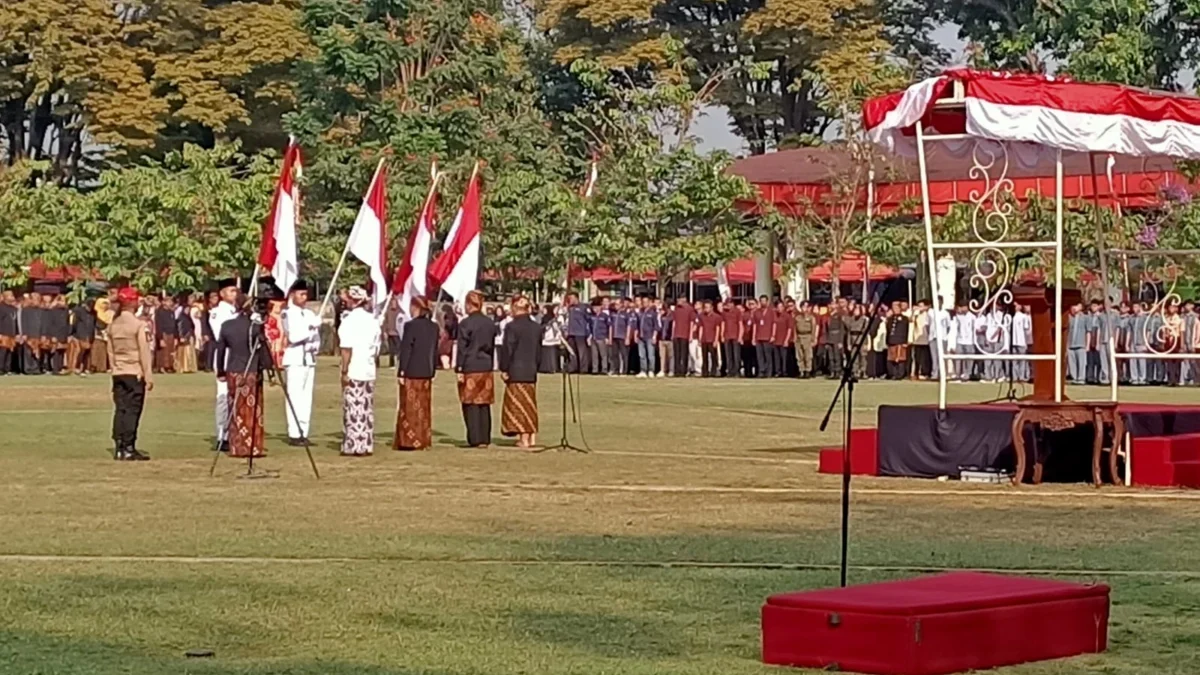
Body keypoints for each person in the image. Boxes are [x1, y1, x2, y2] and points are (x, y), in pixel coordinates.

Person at [215, 291, 274, 459]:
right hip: (251, 371)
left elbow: (220, 350)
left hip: (233, 370)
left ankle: (237, 445)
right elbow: (263, 351)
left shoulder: (227, 326)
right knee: (252, 409)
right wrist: (270, 368)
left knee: (235, 408)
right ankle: (252, 446)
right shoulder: (254, 327)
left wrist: (220, 370)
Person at [107, 287, 154, 461]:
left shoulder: (113, 325)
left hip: (118, 372)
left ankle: (119, 446)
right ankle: (129, 446)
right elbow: (144, 352)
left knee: (121, 409)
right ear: (133, 303)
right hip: (134, 372)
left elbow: (110, 352)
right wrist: (148, 375)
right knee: (133, 410)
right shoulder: (138, 325)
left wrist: (115, 368)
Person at [337, 287, 380, 457]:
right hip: (368, 368)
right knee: (366, 407)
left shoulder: (349, 321)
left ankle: (354, 444)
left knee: (353, 407)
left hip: (354, 368)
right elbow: (377, 347)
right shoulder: (373, 320)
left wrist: (344, 370)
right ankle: (366, 443)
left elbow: (346, 348)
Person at [281, 280, 321, 446]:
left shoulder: (309, 314)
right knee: (294, 396)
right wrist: (310, 329)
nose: (304, 297)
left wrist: (314, 344)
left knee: (306, 398)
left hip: (308, 358)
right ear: (293, 295)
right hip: (295, 358)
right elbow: (293, 337)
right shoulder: (287, 313)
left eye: (306, 294)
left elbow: (316, 339)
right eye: (301, 294)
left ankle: (303, 431)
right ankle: (294, 432)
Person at [456, 291, 498, 448]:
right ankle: (485, 438)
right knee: (484, 403)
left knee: (470, 402)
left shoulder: (465, 324)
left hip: (470, 366)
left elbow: (462, 348)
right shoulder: (489, 323)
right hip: (485, 365)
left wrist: (459, 368)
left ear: (468, 304)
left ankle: (474, 438)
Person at [396, 296, 438, 450]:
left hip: (412, 371)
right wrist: (432, 370)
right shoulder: (434, 327)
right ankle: (423, 438)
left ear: (415, 307)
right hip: (426, 371)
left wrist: (401, 371)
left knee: (410, 408)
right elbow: (434, 351)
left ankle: (409, 440)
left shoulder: (411, 326)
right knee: (424, 408)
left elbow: (406, 350)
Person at [500, 296, 542, 448]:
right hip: (530, 370)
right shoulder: (536, 327)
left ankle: (523, 438)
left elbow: (508, 350)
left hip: (516, 370)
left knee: (518, 405)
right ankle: (531, 436)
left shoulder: (512, 327)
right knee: (530, 404)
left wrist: (504, 368)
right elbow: (538, 351)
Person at [209, 279, 240, 452]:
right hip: (225, 355)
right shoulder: (217, 312)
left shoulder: (238, 311)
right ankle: (222, 435)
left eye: (235, 291)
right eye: (231, 291)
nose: (234, 294)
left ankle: (236, 431)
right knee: (223, 396)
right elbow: (220, 334)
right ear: (222, 294)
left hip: (239, 356)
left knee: (237, 395)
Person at [564, 292, 591, 374]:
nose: (570, 300)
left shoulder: (583, 307)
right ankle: (573, 368)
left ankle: (583, 369)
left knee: (582, 352)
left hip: (580, 333)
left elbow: (589, 319)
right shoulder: (570, 308)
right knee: (572, 352)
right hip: (571, 333)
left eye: (571, 298)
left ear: (576, 298)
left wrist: (588, 333)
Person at [68, 299, 97, 376]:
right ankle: (76, 367)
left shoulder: (94, 313)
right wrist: (71, 333)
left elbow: (94, 323)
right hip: (80, 333)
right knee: (80, 351)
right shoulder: (78, 311)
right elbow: (74, 322)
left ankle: (84, 368)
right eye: (89, 307)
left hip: (90, 334)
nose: (90, 309)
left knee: (87, 352)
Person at [18, 292, 44, 375]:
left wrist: (43, 334)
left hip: (38, 333)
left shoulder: (41, 310)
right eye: (34, 299)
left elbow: (43, 323)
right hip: (28, 333)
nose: (36, 301)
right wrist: (24, 333)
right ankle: (28, 369)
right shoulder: (26, 310)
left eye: (38, 299)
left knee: (37, 352)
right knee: (28, 352)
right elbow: (23, 322)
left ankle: (36, 368)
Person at [45, 295, 70, 374]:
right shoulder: (52, 311)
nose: (63, 303)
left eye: (64, 301)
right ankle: (55, 369)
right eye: (62, 301)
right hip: (55, 333)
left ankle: (60, 368)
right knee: (55, 352)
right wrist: (52, 335)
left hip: (64, 333)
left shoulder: (66, 311)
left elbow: (67, 323)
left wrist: (68, 334)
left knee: (62, 351)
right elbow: (50, 324)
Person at [670, 298, 695, 377]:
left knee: (684, 354)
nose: (678, 301)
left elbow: (691, 322)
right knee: (676, 354)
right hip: (676, 334)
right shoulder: (676, 309)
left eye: (679, 300)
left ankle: (683, 371)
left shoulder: (690, 309)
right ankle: (677, 371)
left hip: (685, 334)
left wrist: (690, 335)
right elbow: (674, 322)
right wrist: (672, 334)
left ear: (684, 299)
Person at [153, 297, 178, 374]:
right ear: (164, 302)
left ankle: (169, 366)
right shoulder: (159, 312)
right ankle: (161, 367)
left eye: (171, 301)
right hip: (164, 333)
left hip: (171, 333)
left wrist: (176, 337)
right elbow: (158, 325)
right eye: (168, 301)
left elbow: (175, 325)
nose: (170, 303)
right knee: (163, 352)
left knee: (170, 351)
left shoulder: (171, 312)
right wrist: (160, 338)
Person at [696, 300, 721, 377]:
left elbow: (717, 329)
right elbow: (701, 328)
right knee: (704, 357)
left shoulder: (716, 317)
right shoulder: (701, 316)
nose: (706, 309)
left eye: (707, 307)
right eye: (705, 307)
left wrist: (716, 340)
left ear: (711, 308)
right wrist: (700, 339)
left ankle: (714, 372)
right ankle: (705, 372)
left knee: (714, 357)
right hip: (704, 339)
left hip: (712, 339)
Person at [886, 301, 910, 380]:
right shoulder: (890, 319)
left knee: (900, 359)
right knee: (891, 359)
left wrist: (905, 341)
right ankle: (893, 374)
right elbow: (888, 330)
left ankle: (900, 374)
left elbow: (906, 330)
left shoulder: (904, 319)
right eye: (894, 308)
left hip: (900, 341)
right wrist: (887, 341)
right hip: (891, 341)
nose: (895, 309)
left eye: (897, 308)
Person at [753, 295, 775, 378]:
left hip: (767, 336)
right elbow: (755, 325)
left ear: (767, 302)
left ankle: (769, 372)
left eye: (764, 301)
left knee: (768, 356)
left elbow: (774, 324)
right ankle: (761, 371)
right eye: (761, 301)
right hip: (758, 337)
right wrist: (753, 337)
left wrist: (773, 335)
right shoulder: (756, 312)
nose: (763, 303)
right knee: (760, 356)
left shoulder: (771, 312)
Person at [636, 296, 658, 377]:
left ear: (649, 302)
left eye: (646, 302)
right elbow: (637, 325)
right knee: (642, 355)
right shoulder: (640, 312)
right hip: (641, 337)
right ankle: (643, 370)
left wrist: (654, 336)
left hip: (649, 336)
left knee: (650, 355)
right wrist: (636, 335)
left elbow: (656, 326)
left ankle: (651, 370)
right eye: (643, 302)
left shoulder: (653, 313)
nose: (644, 303)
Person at [910, 300, 932, 380]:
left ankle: (925, 372)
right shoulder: (917, 315)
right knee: (917, 357)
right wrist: (913, 312)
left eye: (921, 306)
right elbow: (911, 320)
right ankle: (916, 372)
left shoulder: (928, 314)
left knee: (925, 358)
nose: (919, 308)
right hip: (917, 339)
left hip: (926, 339)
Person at [589, 299, 611, 375]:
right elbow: (589, 327)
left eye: (596, 307)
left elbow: (609, 327)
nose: (594, 309)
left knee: (603, 355)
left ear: (600, 307)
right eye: (593, 307)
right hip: (594, 337)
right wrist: (589, 336)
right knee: (594, 355)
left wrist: (608, 337)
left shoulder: (605, 316)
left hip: (602, 337)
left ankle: (604, 369)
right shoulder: (592, 316)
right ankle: (595, 369)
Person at [1066, 303, 1087, 383]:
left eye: (1076, 306)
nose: (1074, 308)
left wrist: (1087, 344)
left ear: (1081, 307)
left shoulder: (1085, 317)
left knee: (1081, 362)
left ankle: (1081, 378)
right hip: (1070, 344)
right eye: (1073, 306)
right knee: (1072, 362)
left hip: (1081, 344)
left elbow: (1088, 332)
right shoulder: (1069, 318)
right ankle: (1074, 377)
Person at [794, 302, 816, 378]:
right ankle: (801, 371)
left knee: (808, 355)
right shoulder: (797, 318)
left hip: (807, 336)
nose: (805, 309)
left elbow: (813, 329)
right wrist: (795, 337)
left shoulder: (811, 318)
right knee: (799, 355)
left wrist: (813, 339)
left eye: (806, 307)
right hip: (799, 337)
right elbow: (795, 328)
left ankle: (808, 371)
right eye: (803, 307)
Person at [1011, 303, 1033, 383]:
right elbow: (1025, 329)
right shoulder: (1018, 317)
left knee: (1018, 360)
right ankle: (1018, 377)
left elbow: (1025, 330)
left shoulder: (1019, 317)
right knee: (1019, 360)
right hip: (1018, 341)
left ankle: (1018, 376)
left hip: (1018, 341)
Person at [91, 296, 113, 374]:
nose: (105, 305)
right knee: (96, 351)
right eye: (104, 304)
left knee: (104, 352)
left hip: (107, 335)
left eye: (106, 304)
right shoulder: (95, 313)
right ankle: (94, 366)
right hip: (97, 335)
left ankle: (103, 367)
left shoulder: (110, 313)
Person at [611, 299, 632, 376]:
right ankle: (616, 370)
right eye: (615, 304)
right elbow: (611, 326)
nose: (616, 306)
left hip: (622, 337)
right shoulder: (613, 314)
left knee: (624, 355)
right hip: (614, 337)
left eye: (617, 304)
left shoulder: (626, 314)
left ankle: (624, 371)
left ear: (621, 305)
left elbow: (629, 326)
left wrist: (627, 337)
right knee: (615, 354)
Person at [539, 304, 563, 373]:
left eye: (544, 309)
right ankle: (546, 368)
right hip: (546, 339)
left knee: (552, 355)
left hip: (550, 338)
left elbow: (555, 328)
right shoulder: (544, 318)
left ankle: (552, 368)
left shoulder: (551, 319)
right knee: (546, 354)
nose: (543, 311)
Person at [773, 300, 792, 377]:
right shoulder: (775, 315)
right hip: (776, 340)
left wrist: (786, 340)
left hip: (783, 339)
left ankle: (784, 371)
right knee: (776, 357)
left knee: (784, 357)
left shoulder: (787, 316)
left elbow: (789, 328)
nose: (779, 308)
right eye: (778, 307)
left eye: (781, 307)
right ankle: (778, 371)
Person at [0, 290, 16, 375]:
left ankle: (7, 368)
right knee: (3, 351)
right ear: (5, 297)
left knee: (10, 351)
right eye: (10, 295)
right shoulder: (1, 307)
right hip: (3, 333)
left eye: (12, 295)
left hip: (12, 333)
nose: (12, 297)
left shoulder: (13, 308)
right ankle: (1, 368)